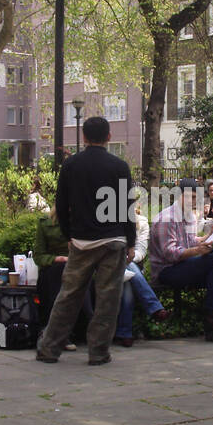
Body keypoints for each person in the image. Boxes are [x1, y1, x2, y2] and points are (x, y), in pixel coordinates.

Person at [35, 116, 136, 366]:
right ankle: (98, 352)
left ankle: (49, 349)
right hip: (112, 240)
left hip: (81, 242)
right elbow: (127, 207)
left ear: (83, 137)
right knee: (107, 299)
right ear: (109, 137)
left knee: (68, 296)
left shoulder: (71, 165)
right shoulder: (120, 166)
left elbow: (60, 204)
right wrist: (131, 241)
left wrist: (70, 235)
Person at [149, 178, 213, 339]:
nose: (194, 201)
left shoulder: (189, 216)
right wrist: (197, 250)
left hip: (183, 266)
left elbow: (189, 241)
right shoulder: (167, 218)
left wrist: (207, 238)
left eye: (196, 197)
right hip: (166, 270)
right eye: (191, 197)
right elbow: (169, 253)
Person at [115, 187, 170, 347]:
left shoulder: (142, 223)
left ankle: (124, 333)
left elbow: (141, 250)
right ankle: (154, 308)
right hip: (110, 267)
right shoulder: (110, 222)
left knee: (129, 278)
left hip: (131, 266)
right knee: (130, 275)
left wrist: (127, 259)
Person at [35, 206, 91, 352]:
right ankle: (60, 334)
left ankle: (77, 329)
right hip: (53, 270)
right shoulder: (45, 223)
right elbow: (38, 256)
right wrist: (56, 259)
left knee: (79, 278)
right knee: (59, 273)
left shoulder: (84, 222)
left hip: (78, 268)